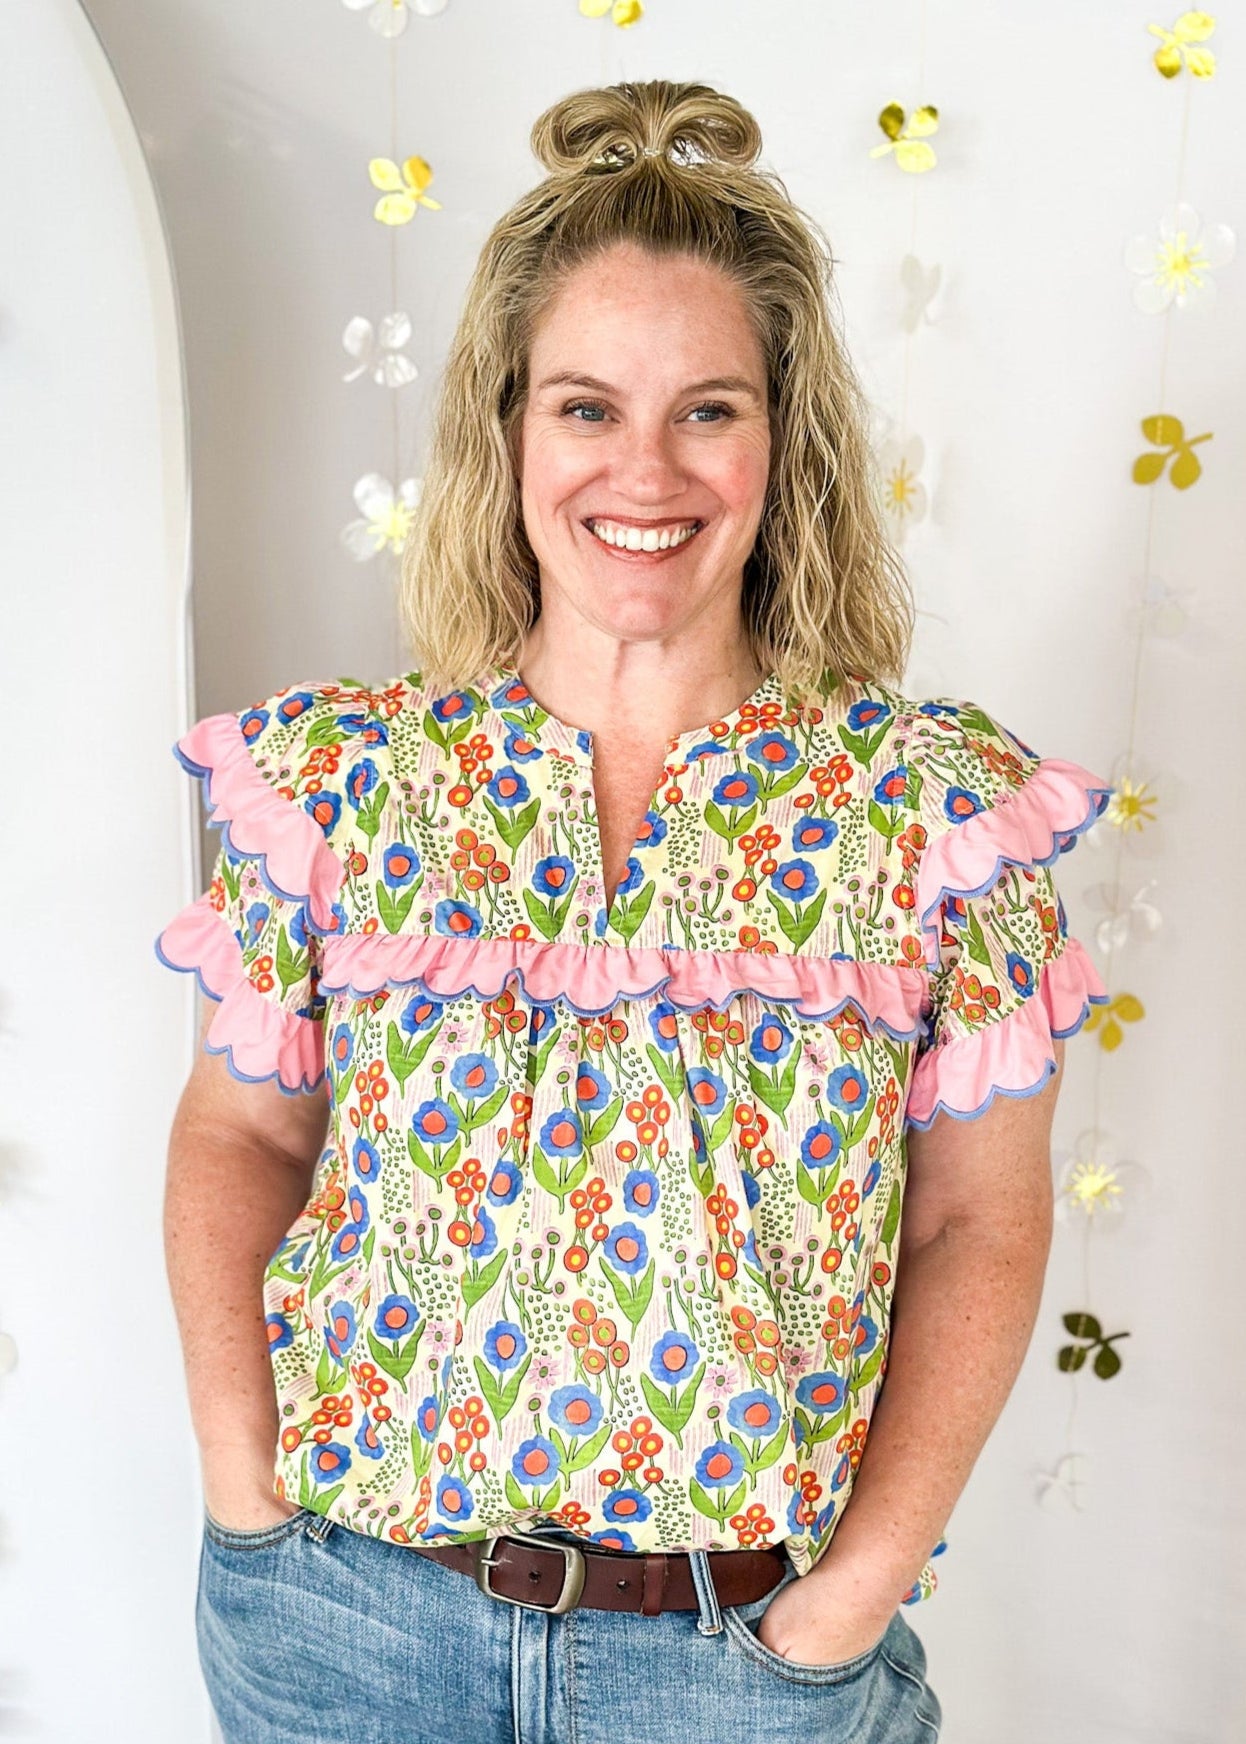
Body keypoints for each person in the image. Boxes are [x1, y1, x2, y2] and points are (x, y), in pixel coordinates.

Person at [155, 78, 1114, 1744]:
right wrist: (246, 1493)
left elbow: (978, 1222)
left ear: (783, 438)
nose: (644, 470)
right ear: (509, 431)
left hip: (741, 1660)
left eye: (709, 409)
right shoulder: (339, 782)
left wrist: (849, 1601)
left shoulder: (930, 811)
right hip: (345, 1623)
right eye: (586, 407)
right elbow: (239, 1138)